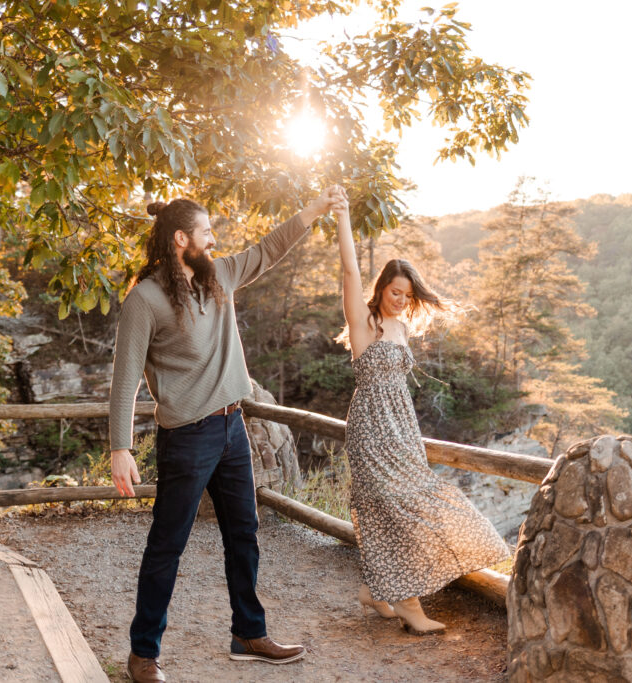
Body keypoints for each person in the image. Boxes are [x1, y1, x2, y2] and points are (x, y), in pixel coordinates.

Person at [109, 187, 345, 682]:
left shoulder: (219, 276)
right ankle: (142, 654)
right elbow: (125, 378)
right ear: (180, 239)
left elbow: (269, 248)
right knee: (166, 546)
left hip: (232, 427)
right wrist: (120, 447)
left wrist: (316, 209)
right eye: (207, 233)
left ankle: (248, 633)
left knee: (244, 534)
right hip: (187, 438)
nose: (214, 241)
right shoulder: (144, 300)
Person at [332, 195, 511, 635]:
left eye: (407, 296)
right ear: (381, 289)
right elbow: (350, 271)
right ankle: (408, 605)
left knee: (418, 501)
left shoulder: (402, 326)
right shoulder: (364, 321)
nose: (400, 301)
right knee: (391, 508)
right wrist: (343, 216)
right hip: (371, 429)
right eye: (395, 292)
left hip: (402, 429)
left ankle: (377, 591)